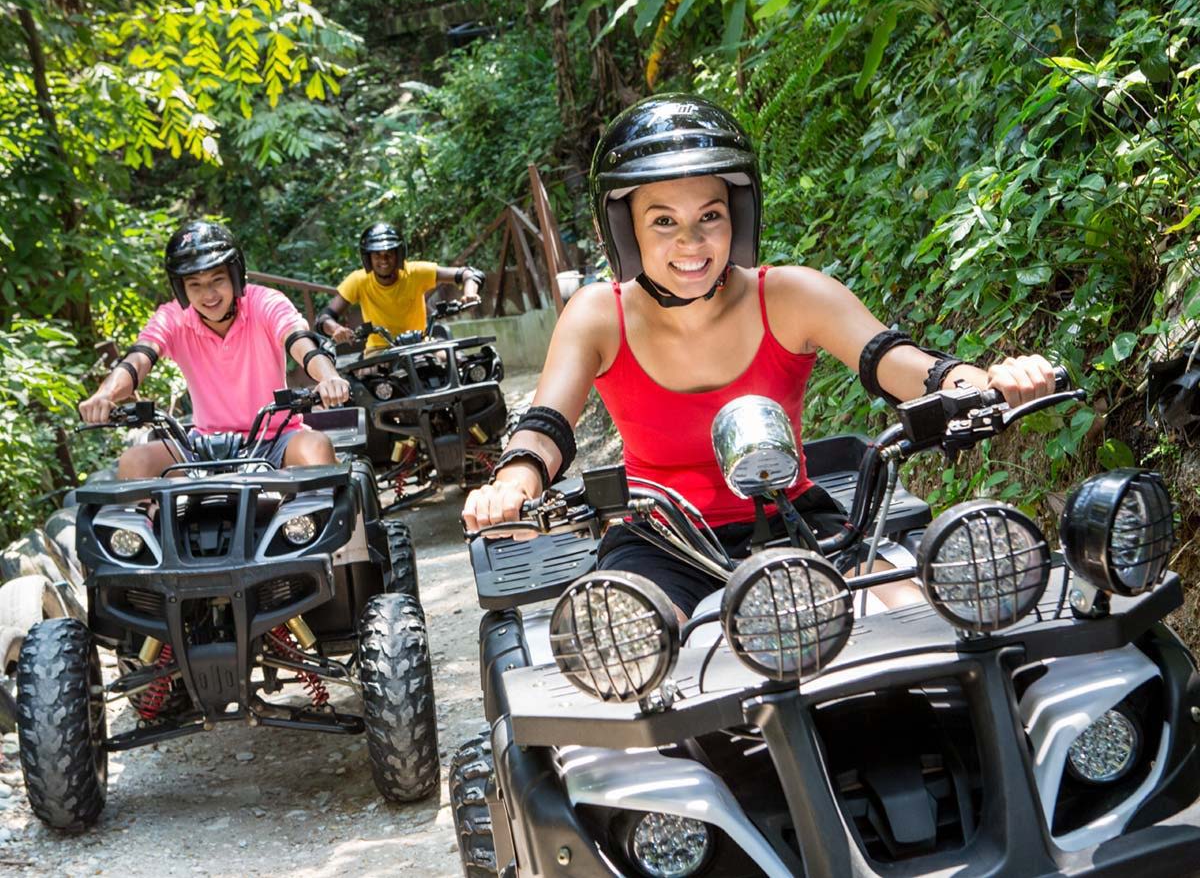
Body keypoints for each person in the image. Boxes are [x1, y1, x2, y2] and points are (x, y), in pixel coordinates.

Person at [461, 93, 1059, 619]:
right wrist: (516, 478)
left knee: (909, 620)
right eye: (663, 220)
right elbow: (546, 424)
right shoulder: (598, 314)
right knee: (626, 653)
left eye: (710, 217)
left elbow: (899, 363)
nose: (690, 243)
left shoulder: (789, 295)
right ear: (627, 231)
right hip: (658, 544)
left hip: (799, 523)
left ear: (738, 219)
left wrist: (981, 381)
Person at [79, 220, 351, 477]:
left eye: (217, 280)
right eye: (194, 284)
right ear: (181, 289)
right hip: (204, 446)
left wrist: (328, 377)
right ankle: (149, 524)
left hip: (277, 437)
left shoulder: (265, 302)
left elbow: (299, 341)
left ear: (234, 276)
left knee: (316, 448)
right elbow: (138, 358)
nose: (208, 295)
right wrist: (104, 395)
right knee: (134, 462)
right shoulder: (172, 317)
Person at [316, 222, 487, 351]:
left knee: (457, 364)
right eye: (377, 255)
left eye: (389, 254)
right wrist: (336, 329)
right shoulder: (358, 280)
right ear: (368, 258)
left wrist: (470, 292)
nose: (383, 260)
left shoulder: (415, 272)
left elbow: (469, 273)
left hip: (421, 343)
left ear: (399, 254)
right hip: (379, 350)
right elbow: (324, 317)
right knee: (366, 383)